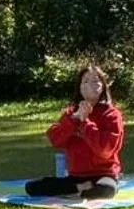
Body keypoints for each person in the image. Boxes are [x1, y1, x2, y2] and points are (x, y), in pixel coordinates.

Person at [24, 65, 125, 200]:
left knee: (107, 190)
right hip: (77, 177)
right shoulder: (71, 113)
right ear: (80, 88)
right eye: (86, 81)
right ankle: (80, 188)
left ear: (103, 86)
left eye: (96, 80)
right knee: (32, 187)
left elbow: (105, 151)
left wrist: (85, 123)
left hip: (104, 174)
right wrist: (74, 120)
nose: (91, 84)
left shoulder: (112, 114)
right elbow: (55, 139)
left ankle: (80, 191)